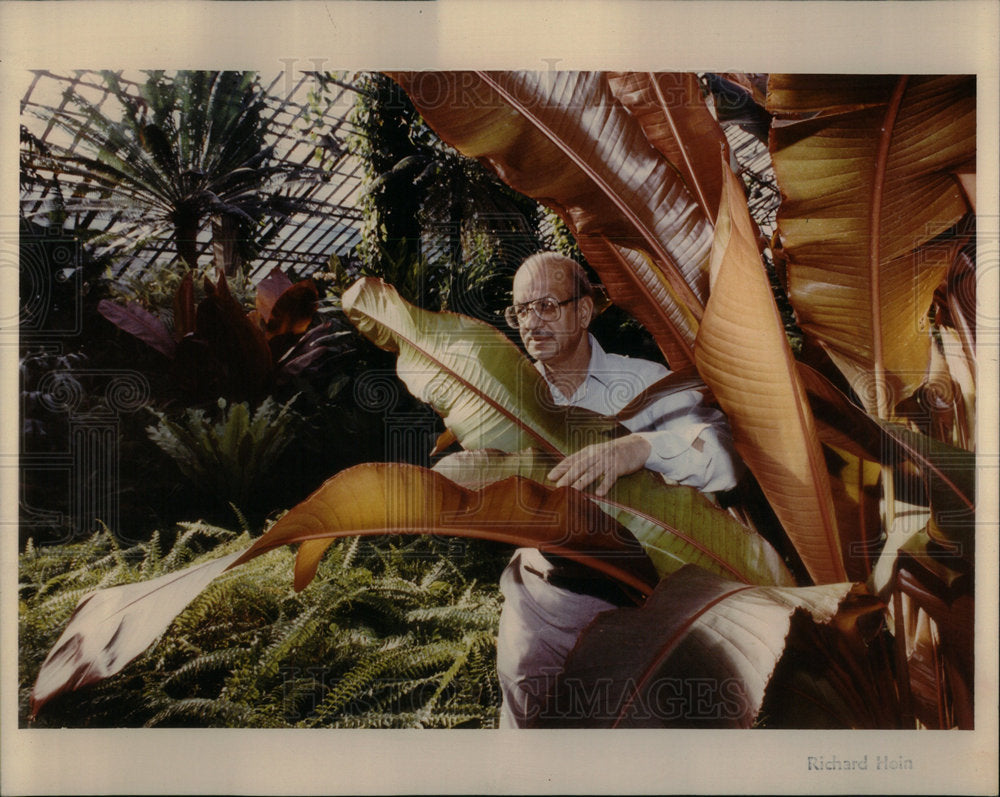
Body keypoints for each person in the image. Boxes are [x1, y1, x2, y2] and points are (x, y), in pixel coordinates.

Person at [496, 251, 740, 728]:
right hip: (539, 599)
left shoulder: (645, 383)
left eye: (547, 305)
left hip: (638, 603)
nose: (532, 322)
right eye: (521, 310)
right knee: (530, 735)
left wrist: (641, 448)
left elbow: (724, 458)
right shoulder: (510, 399)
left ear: (583, 311)